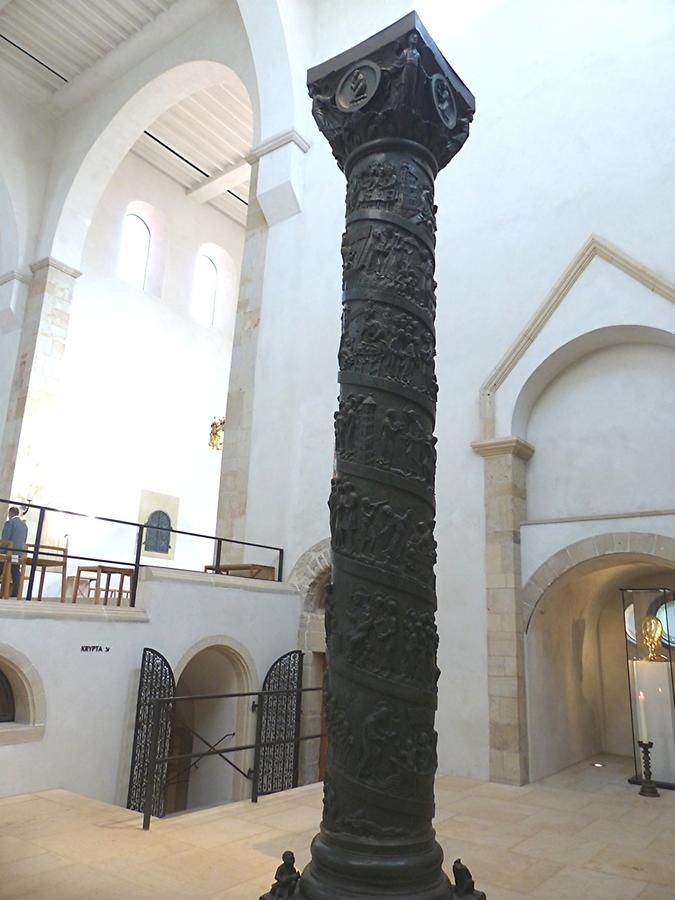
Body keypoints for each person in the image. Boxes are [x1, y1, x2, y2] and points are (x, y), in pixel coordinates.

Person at [1, 507, 28, 598]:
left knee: (1, 567)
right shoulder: (24, 526)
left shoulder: (9, 523)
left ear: (10, 513)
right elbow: (24, 541)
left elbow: (5, 540)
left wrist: (1, 552)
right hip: (19, 554)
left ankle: (2, 592)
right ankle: (15, 593)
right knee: (15, 571)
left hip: (8, 553)